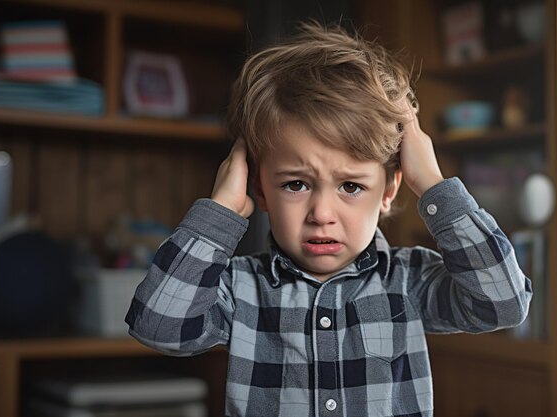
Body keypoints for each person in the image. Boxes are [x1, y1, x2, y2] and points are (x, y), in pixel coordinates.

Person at [126, 21, 532, 417]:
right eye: (296, 185)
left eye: (351, 187)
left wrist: (431, 185)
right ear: (260, 188)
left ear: (389, 189)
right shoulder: (240, 288)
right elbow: (158, 326)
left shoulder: (410, 281)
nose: (321, 215)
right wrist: (220, 210)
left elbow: (503, 304)